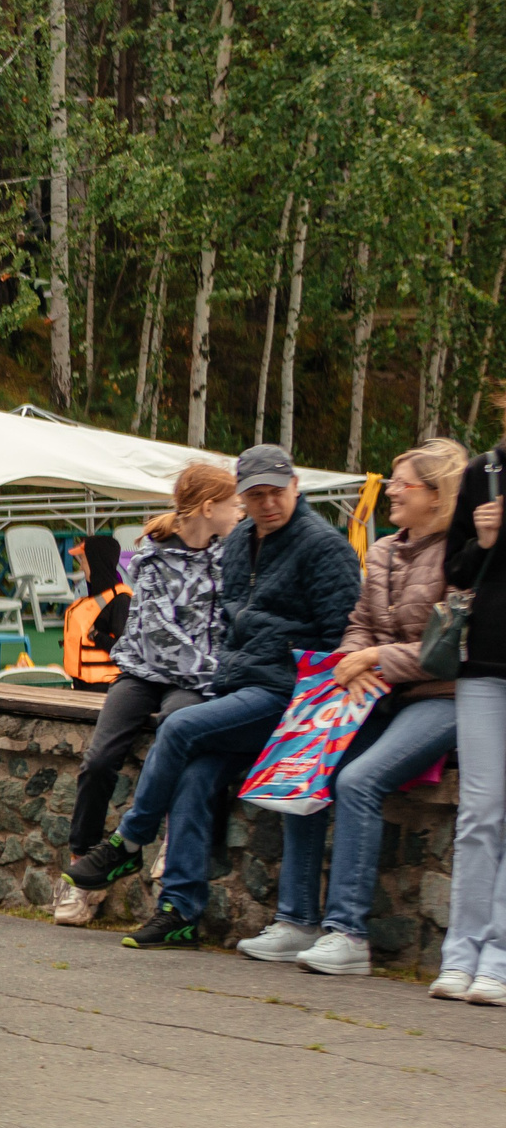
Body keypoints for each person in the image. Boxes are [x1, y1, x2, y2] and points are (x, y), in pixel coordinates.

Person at [63, 445, 361, 949]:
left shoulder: (323, 546)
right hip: (240, 682)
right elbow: (226, 618)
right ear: (242, 497)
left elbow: (342, 632)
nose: (266, 504)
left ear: (295, 487)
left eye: (275, 492)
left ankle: (129, 840)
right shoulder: (242, 538)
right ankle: (179, 910)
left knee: (178, 728)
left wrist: (301, 689)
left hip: (291, 695)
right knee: (194, 773)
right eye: (255, 494)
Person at [244, 441, 468, 975]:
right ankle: (296, 921)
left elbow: (452, 649)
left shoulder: (459, 556)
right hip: (379, 690)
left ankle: (348, 934)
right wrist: (352, 661)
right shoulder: (387, 549)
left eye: (401, 483)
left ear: (436, 495)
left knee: (357, 780)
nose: (390, 490)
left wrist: (375, 658)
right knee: (308, 766)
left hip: (438, 697)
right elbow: (360, 620)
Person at [53, 462, 239, 925]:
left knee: (178, 735)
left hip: (192, 680)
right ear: (209, 507)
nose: (241, 511)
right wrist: (211, 670)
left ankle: (171, 847)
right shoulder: (152, 559)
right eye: (234, 502)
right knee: (99, 759)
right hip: (144, 671)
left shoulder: (232, 557)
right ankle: (83, 870)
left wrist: (212, 676)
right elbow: (158, 635)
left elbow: (226, 624)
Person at [442, 422, 506, 1004]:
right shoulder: (483, 472)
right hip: (484, 667)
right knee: (480, 812)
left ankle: (500, 960)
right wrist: (481, 543)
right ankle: (460, 953)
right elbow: (452, 573)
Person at [62, 533, 132, 690]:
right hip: (82, 684)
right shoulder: (92, 599)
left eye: (84, 561)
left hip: (108, 689)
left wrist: (96, 636)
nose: (81, 567)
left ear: (96, 563)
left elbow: (126, 650)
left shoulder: (120, 601)